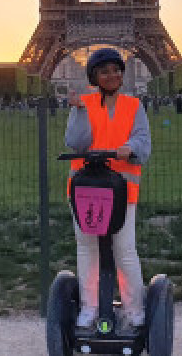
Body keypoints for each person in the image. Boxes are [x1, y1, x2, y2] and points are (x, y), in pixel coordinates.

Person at [65, 48, 151, 329]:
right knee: (87, 247)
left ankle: (133, 307)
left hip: (122, 190)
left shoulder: (133, 105)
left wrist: (131, 148)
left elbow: (143, 141)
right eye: (105, 71)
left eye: (116, 70)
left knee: (124, 249)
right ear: (94, 77)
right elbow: (76, 143)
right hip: (87, 190)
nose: (112, 75)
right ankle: (89, 306)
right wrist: (78, 111)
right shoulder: (84, 103)